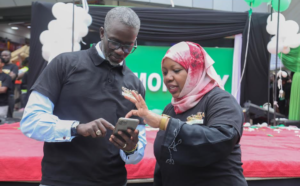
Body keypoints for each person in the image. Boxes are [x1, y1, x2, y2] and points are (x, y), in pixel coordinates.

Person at [20, 7, 147, 186]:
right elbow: (31, 121)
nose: (121, 51)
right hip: (61, 181)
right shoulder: (64, 64)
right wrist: (76, 128)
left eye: (128, 46)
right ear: (102, 33)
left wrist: (131, 148)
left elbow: (136, 153)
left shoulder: (135, 84)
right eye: (115, 43)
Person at [124, 42, 247, 186]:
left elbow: (223, 137)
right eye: (164, 72)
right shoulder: (171, 109)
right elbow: (164, 163)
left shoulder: (220, 100)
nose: (168, 77)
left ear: (195, 70)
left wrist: (164, 123)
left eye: (175, 70)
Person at [0, 50, 18, 117]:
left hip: (9, 94)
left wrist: (6, 77)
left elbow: (12, 78)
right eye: (2, 55)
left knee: (8, 116)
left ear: (10, 56)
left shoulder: (13, 66)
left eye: (6, 55)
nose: (4, 57)